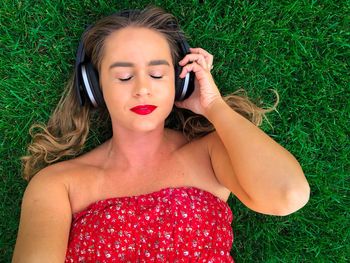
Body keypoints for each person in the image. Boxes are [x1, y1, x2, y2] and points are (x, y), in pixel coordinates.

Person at [12, 6, 310, 263]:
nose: (143, 88)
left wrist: (214, 106)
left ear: (179, 82)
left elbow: (288, 195)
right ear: (94, 87)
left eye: (157, 74)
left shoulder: (210, 154)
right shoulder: (57, 185)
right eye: (124, 76)